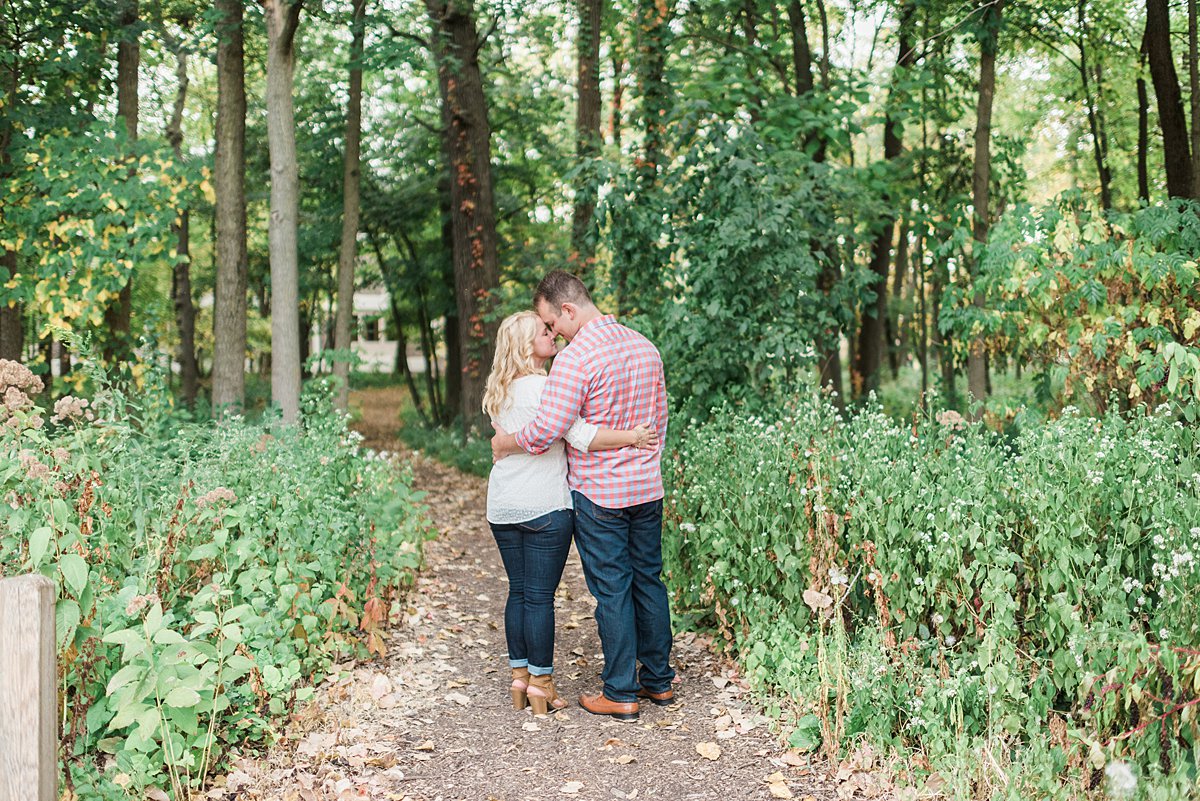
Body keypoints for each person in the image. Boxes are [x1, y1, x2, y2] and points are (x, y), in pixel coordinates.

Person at [491, 270, 675, 722]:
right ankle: (659, 682)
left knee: (613, 589)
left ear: (568, 310)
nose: (552, 332)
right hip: (647, 489)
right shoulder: (645, 347)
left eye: (552, 323)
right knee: (649, 580)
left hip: (599, 493)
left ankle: (620, 691)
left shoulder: (577, 359)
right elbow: (661, 420)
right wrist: (641, 457)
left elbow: (546, 432)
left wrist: (505, 443)